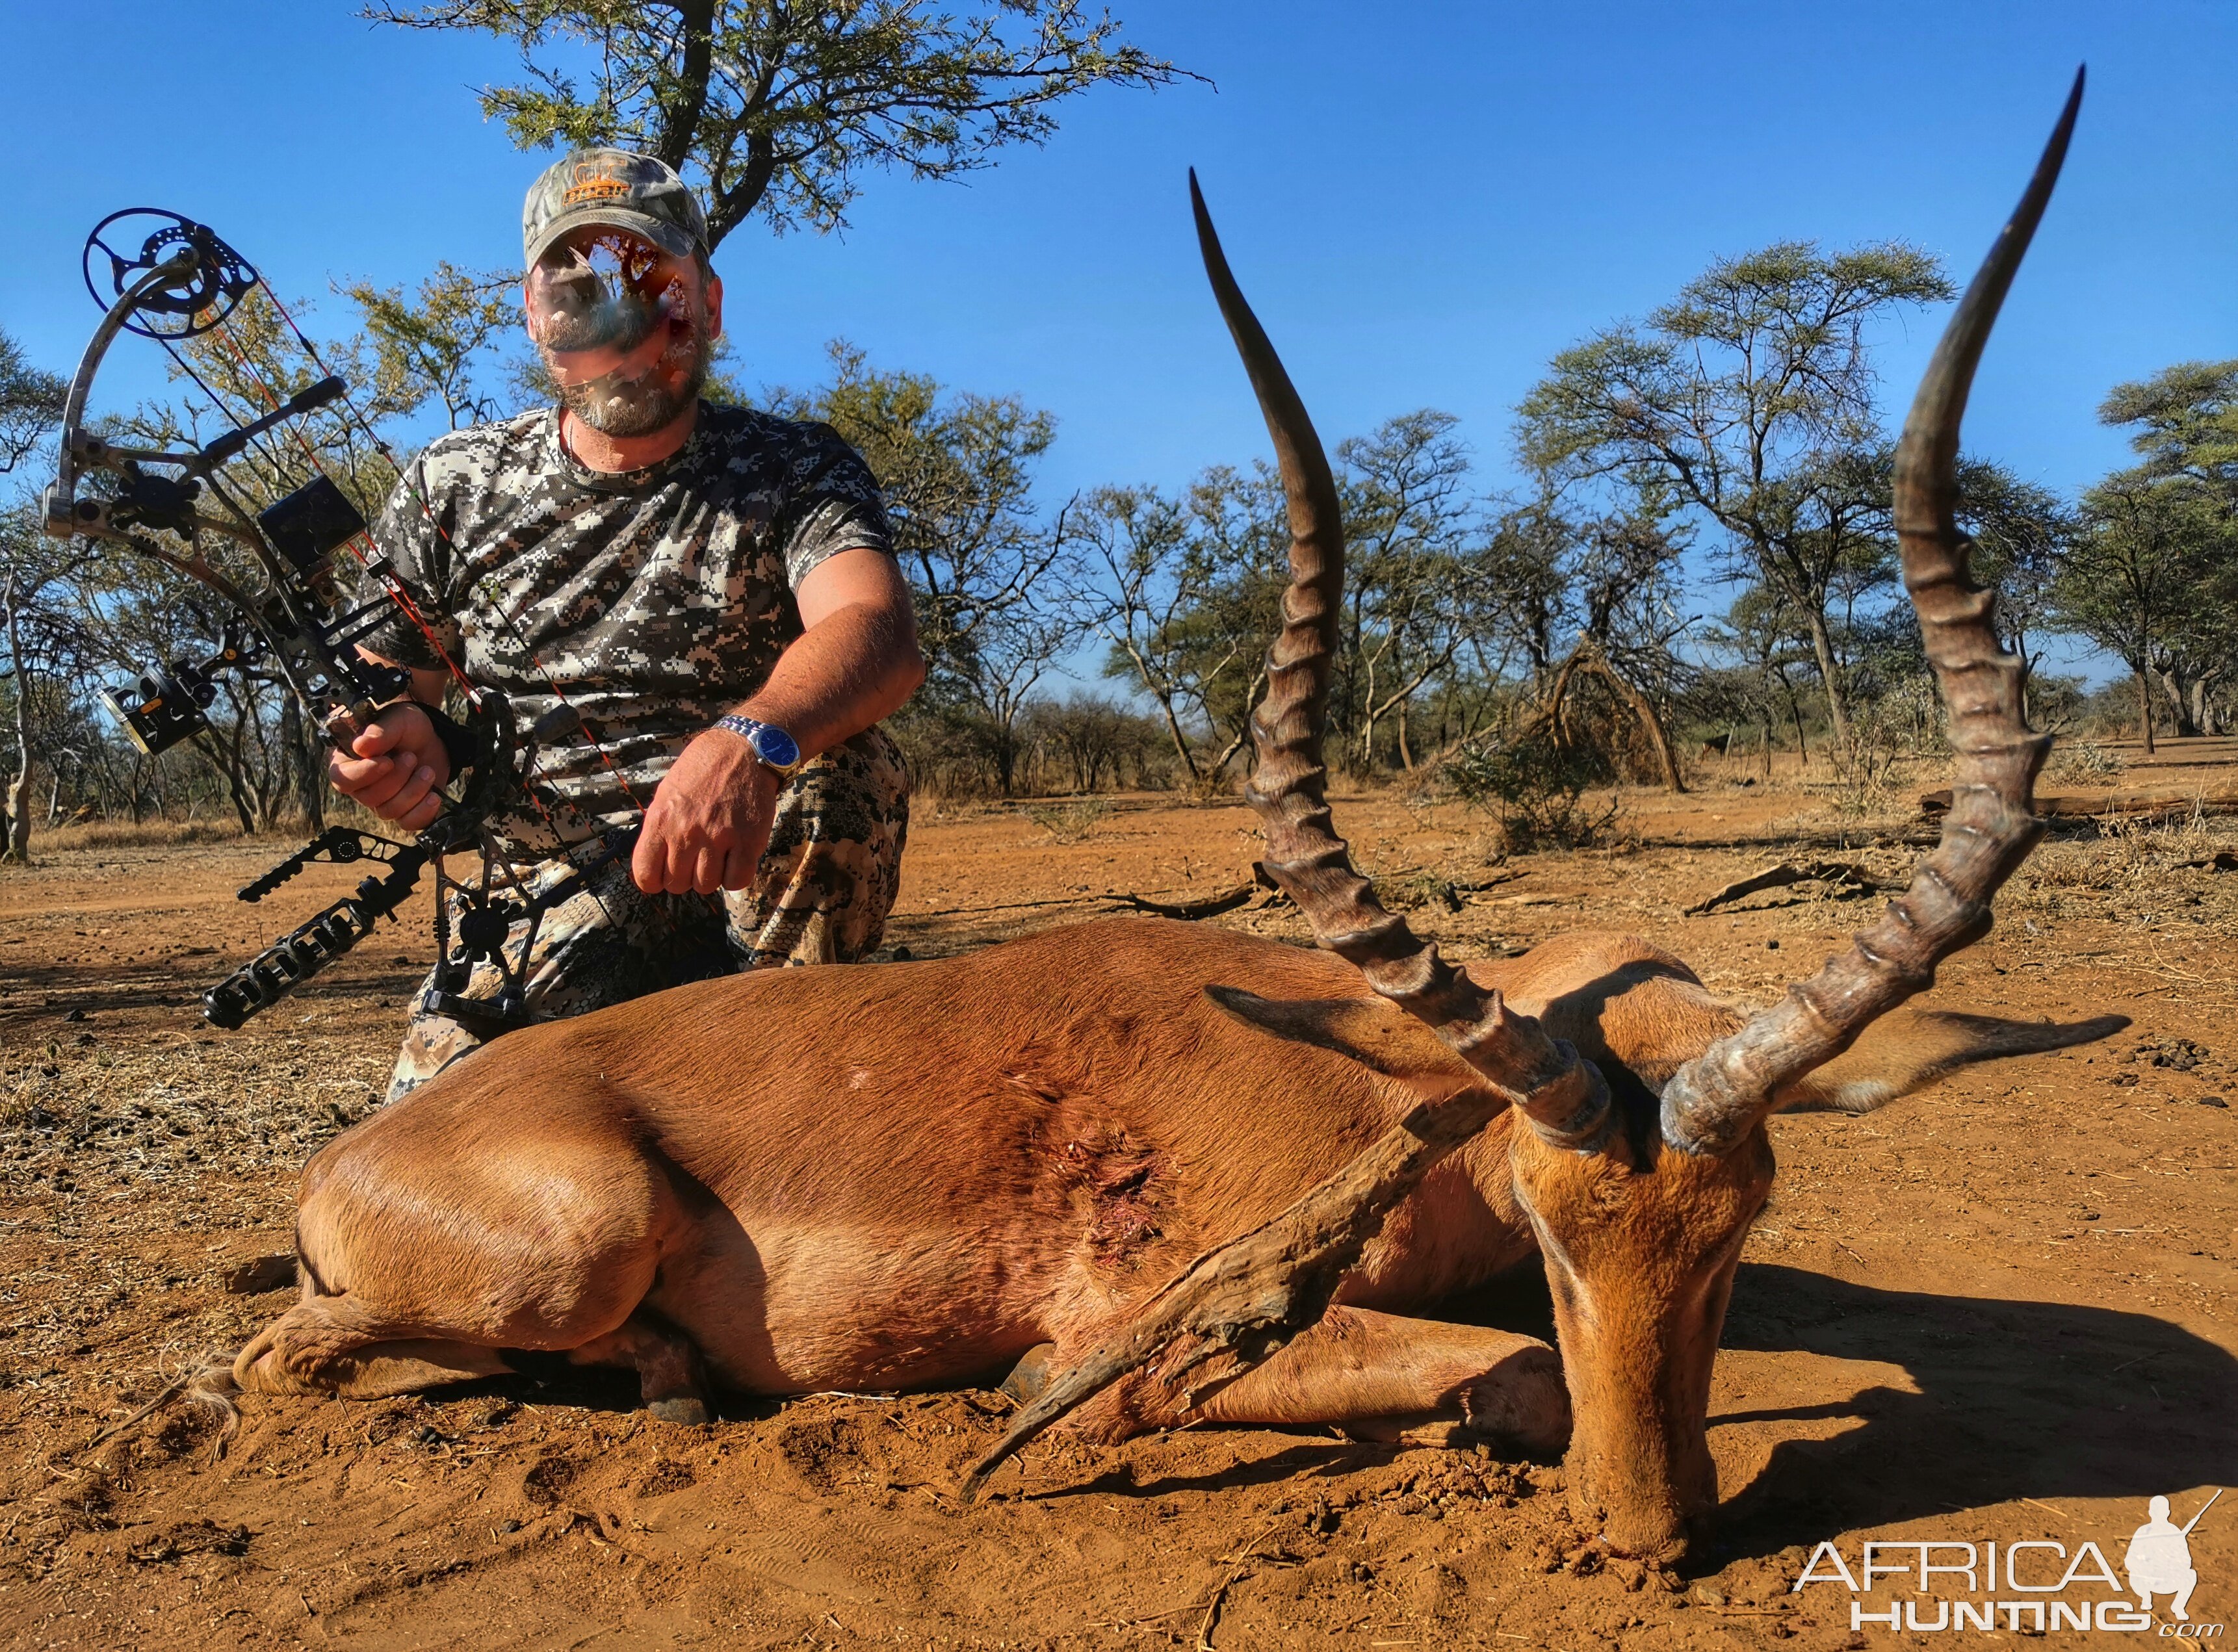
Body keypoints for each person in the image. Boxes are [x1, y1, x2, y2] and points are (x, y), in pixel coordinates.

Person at [328, 148, 926, 1103]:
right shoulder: (452, 480)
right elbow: (388, 691)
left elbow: (874, 628)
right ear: (533, 318)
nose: (628, 333)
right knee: (429, 1172)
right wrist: (387, 750)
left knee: (842, 771)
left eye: (660, 293)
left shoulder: (796, 466)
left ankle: (779, 1092)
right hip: (536, 893)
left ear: (711, 304)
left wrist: (746, 740)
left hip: (737, 872)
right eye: (579, 299)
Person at [2122, 1495, 2199, 1620]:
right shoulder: (2143, 1532)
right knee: (2134, 1575)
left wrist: (2170, 1565)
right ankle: (2146, 1597)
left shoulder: (2175, 1532)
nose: (2159, 1514)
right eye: (2156, 1511)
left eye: (2161, 1511)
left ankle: (2178, 1606)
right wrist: (2145, 1567)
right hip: (2146, 1580)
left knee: (2191, 1575)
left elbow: (2186, 1562)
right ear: (2151, 1512)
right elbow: (2129, 1560)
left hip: (2169, 1580)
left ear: (2168, 1512)